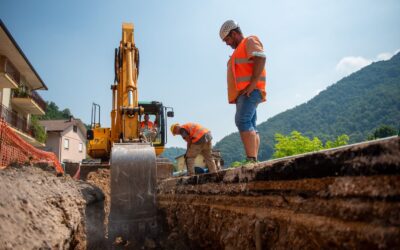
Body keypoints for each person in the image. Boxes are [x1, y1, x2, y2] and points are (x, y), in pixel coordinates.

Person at [219, 20, 267, 163]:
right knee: (250, 123)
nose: (227, 43)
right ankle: (254, 159)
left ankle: (251, 160)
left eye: (227, 39)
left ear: (234, 33)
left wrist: (252, 85)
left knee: (242, 120)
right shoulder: (237, 51)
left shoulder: (249, 41)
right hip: (244, 94)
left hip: (250, 91)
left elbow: (261, 58)